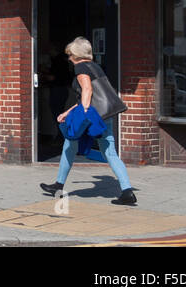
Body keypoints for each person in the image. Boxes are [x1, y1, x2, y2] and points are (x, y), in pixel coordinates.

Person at [40, 37, 137, 206]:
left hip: (91, 115)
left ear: (76, 54)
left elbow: (87, 90)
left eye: (70, 54)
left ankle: (59, 185)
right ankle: (127, 191)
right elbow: (89, 95)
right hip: (104, 115)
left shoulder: (81, 67)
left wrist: (82, 112)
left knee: (70, 144)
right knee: (109, 152)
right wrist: (68, 111)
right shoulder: (95, 66)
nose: (69, 58)